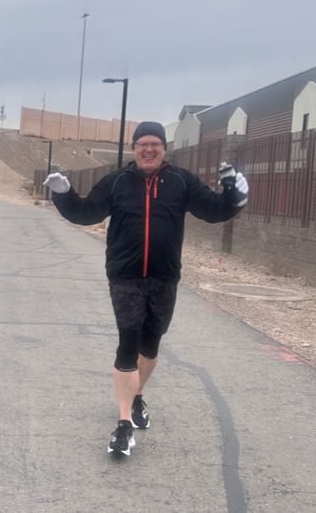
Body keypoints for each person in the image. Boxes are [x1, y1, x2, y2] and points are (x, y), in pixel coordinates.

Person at [42, 121, 248, 457]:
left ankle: (136, 395)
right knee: (128, 342)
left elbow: (214, 211)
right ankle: (123, 424)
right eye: (142, 144)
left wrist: (235, 197)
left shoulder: (182, 182)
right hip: (125, 276)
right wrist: (63, 196)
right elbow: (86, 213)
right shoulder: (118, 182)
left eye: (155, 144)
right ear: (134, 148)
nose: (148, 149)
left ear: (164, 149)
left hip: (165, 277)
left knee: (150, 347)